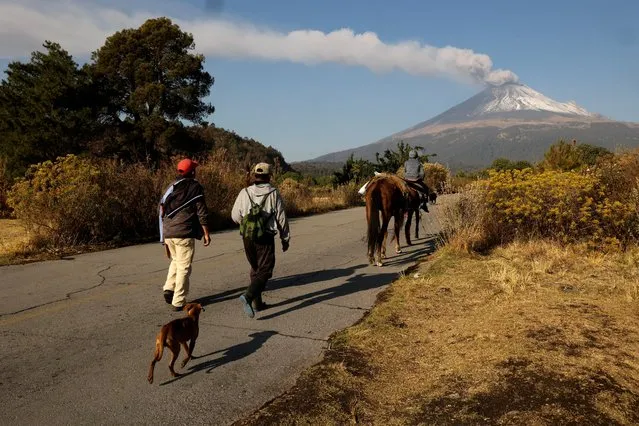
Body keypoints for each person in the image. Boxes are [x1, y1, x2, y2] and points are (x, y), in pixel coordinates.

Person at [231, 162, 291, 318]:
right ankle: (248, 296)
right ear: (269, 176)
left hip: (247, 237)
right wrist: (285, 238)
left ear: (254, 175)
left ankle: (258, 304)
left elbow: (234, 216)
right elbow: (281, 217)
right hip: (265, 237)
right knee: (266, 270)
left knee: (255, 268)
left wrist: (248, 224)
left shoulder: (244, 192)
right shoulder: (273, 193)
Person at [159, 158, 211, 311]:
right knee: (184, 266)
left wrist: (163, 237)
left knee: (176, 260)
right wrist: (206, 232)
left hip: (168, 231)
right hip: (184, 232)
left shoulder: (171, 187)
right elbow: (202, 212)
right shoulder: (195, 187)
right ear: (193, 172)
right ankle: (179, 300)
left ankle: (169, 288)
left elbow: (161, 210)